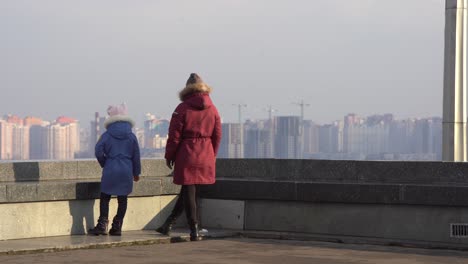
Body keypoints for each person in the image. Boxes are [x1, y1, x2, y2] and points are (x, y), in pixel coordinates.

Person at [156, 73, 222, 241]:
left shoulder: (182, 109)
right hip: (205, 152)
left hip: (187, 153)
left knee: (189, 190)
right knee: (188, 190)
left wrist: (169, 155)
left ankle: (194, 229)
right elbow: (217, 135)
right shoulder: (213, 109)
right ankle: (168, 224)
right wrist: (211, 154)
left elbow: (174, 136)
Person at [89, 103, 141, 236]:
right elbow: (136, 156)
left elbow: (98, 150)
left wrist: (104, 162)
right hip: (126, 170)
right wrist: (136, 173)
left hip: (110, 168)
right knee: (122, 199)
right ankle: (117, 226)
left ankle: (102, 225)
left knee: (105, 197)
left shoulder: (107, 134)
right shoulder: (131, 136)